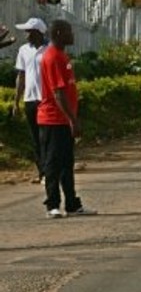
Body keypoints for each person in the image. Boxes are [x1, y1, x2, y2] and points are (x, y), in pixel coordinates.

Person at [38, 19, 97, 219]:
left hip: (62, 120)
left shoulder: (62, 55)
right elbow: (58, 94)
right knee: (53, 164)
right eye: (69, 31)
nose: (72, 35)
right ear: (59, 33)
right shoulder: (53, 57)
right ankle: (52, 204)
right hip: (53, 120)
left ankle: (72, 204)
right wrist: (72, 119)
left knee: (66, 163)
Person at [13, 17, 49, 184]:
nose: (26, 35)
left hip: (46, 100)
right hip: (30, 100)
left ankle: (49, 171)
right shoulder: (23, 50)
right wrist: (16, 102)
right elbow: (21, 76)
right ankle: (42, 172)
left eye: (29, 32)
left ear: (38, 33)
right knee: (35, 138)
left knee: (46, 137)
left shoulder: (50, 50)